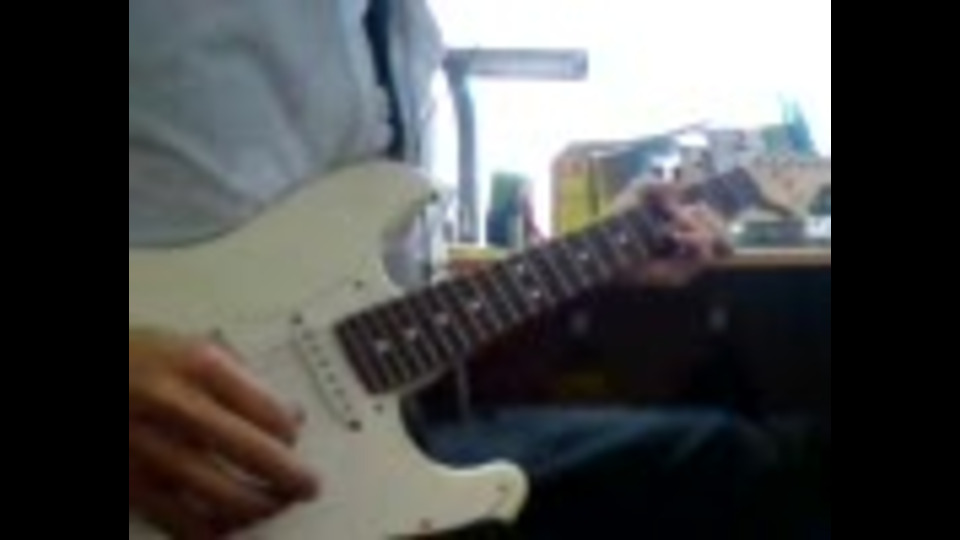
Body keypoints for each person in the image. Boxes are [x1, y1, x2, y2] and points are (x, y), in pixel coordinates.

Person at [129, 1, 828, 539]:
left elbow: (363, 326)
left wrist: (596, 255)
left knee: (740, 459)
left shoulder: (400, 30)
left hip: (349, 463)